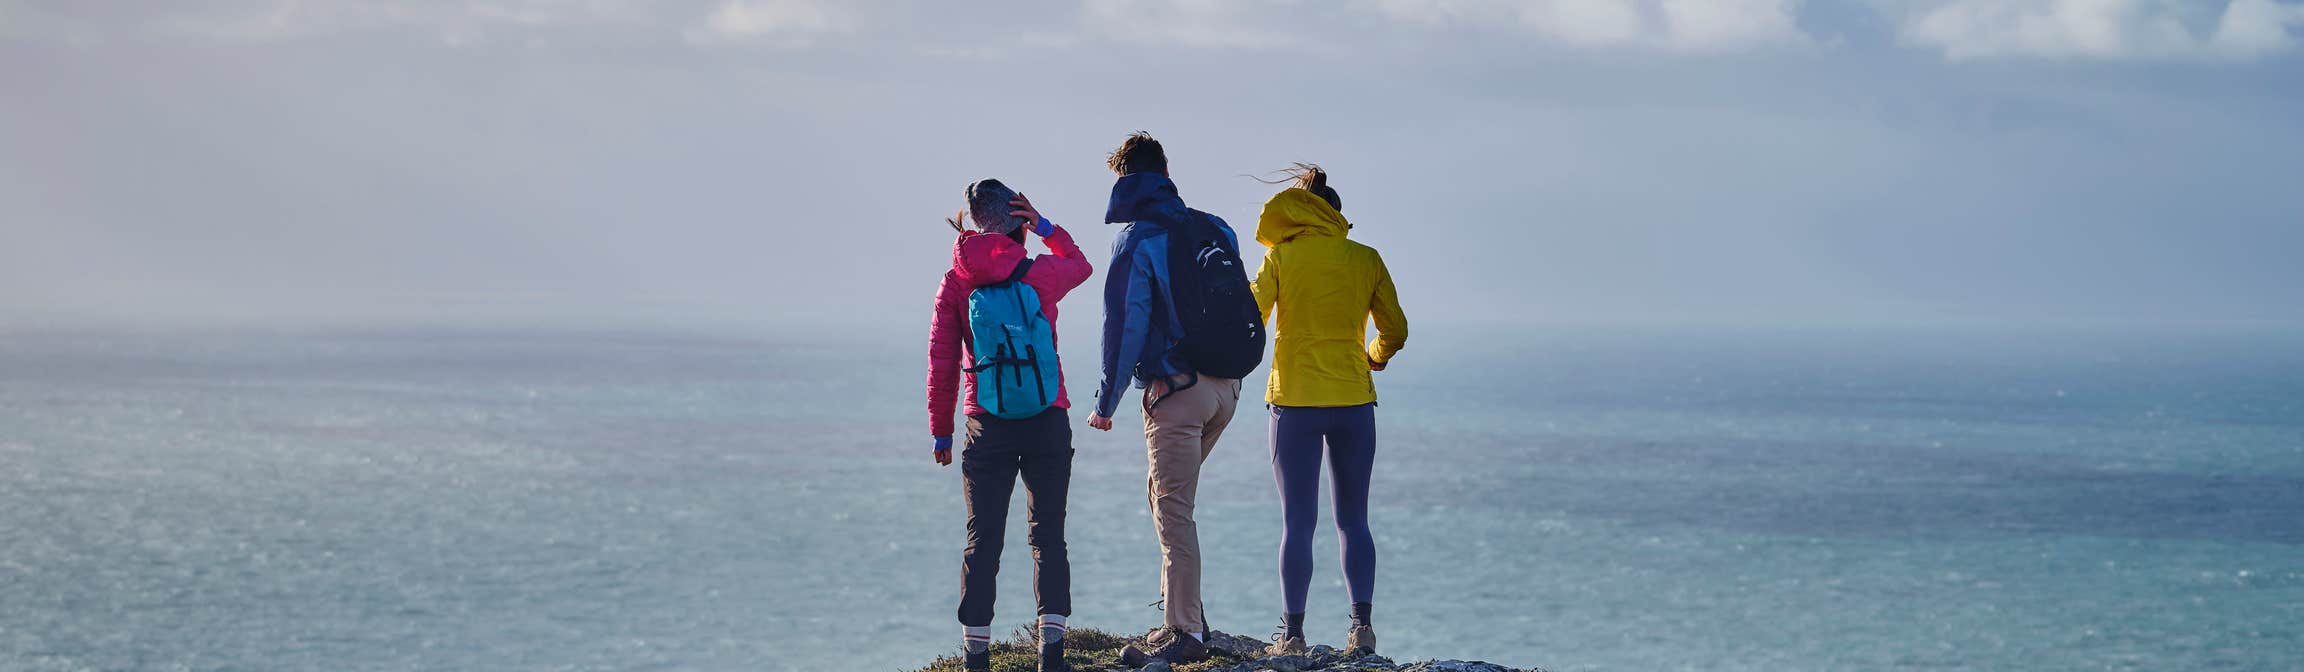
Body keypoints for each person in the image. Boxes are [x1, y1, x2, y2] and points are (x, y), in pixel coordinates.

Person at [1091, 132, 1260, 666]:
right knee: (1168, 500)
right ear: (1164, 173)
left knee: (1172, 510)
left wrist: (1105, 402)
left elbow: (1125, 327)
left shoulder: (1138, 240)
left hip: (1179, 392)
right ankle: (1185, 613)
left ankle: (1186, 632)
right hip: (1227, 389)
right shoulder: (1215, 227)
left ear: (1124, 181)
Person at [926, 179, 1094, 672]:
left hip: (986, 423)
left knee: (984, 538)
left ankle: (976, 657)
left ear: (974, 220)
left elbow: (941, 362)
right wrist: (1043, 225)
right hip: (1047, 416)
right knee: (1048, 536)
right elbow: (1081, 264)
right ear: (1014, 217)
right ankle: (1052, 656)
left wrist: (941, 431)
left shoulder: (957, 281)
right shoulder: (1040, 272)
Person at [1246, 165, 1407, 657]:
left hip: (1294, 401)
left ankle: (1292, 635)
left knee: (1298, 522)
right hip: (1354, 400)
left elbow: (1251, 317)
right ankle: (1361, 628)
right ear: (1336, 215)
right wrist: (1371, 358)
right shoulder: (1365, 258)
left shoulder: (1281, 258)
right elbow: (1395, 330)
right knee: (1353, 520)